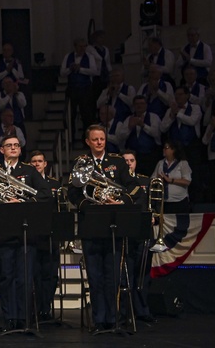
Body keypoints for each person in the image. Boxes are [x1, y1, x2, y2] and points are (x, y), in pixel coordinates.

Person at [67, 125, 139, 332]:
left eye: (102, 139)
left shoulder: (117, 161)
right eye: (95, 139)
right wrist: (90, 205)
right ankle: (99, 320)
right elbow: (73, 193)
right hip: (91, 225)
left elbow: (133, 187)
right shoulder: (81, 163)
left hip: (114, 225)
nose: (99, 142)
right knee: (95, 277)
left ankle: (115, 319)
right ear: (88, 141)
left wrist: (122, 201)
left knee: (113, 276)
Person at [0, 135, 51, 332]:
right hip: (3, 230)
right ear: (2, 150)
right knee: (6, 276)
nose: (14, 148)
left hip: (26, 231)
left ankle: (24, 318)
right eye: (9, 146)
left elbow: (45, 194)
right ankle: (9, 318)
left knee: (24, 277)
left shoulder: (29, 171)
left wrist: (23, 202)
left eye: (16, 145)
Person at [121, 150, 156, 324]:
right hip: (125, 230)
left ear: (136, 162)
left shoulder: (146, 180)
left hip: (143, 231)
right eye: (125, 160)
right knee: (125, 273)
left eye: (131, 160)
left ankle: (142, 311)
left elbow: (153, 203)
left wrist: (154, 215)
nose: (128, 163)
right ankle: (125, 312)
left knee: (142, 273)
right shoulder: (119, 181)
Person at [27, 150, 62, 321]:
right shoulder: (27, 182)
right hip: (33, 232)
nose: (36, 164)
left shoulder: (55, 183)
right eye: (33, 161)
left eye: (39, 161)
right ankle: (35, 308)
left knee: (50, 273)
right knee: (35, 273)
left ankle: (46, 308)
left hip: (51, 232)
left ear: (45, 163)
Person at [60, 38, 101, 137]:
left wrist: (81, 69)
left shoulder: (89, 57)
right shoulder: (68, 56)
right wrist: (71, 69)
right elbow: (62, 73)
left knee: (86, 114)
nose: (83, 49)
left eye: (84, 46)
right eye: (80, 46)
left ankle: (86, 137)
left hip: (85, 88)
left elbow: (95, 71)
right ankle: (71, 137)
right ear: (75, 46)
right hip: (72, 88)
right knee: (71, 114)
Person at [161, 86, 204, 163]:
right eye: (176, 94)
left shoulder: (195, 108)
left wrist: (178, 113)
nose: (177, 97)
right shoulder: (170, 110)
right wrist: (171, 117)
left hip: (191, 147)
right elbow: (163, 128)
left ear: (187, 95)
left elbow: (192, 121)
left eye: (180, 94)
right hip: (174, 148)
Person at [124, 96, 163, 175]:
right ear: (134, 106)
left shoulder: (153, 117)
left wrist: (143, 125)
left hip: (150, 156)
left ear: (146, 105)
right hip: (133, 157)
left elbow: (157, 134)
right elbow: (120, 138)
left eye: (142, 103)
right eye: (137, 104)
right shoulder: (129, 118)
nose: (139, 106)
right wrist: (129, 128)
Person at [152, 141, 192, 213]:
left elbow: (187, 181)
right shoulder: (160, 163)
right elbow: (152, 179)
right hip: (163, 202)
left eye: (166, 148)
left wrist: (171, 180)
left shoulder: (182, 163)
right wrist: (158, 179)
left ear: (173, 150)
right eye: (163, 148)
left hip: (179, 201)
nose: (164, 149)